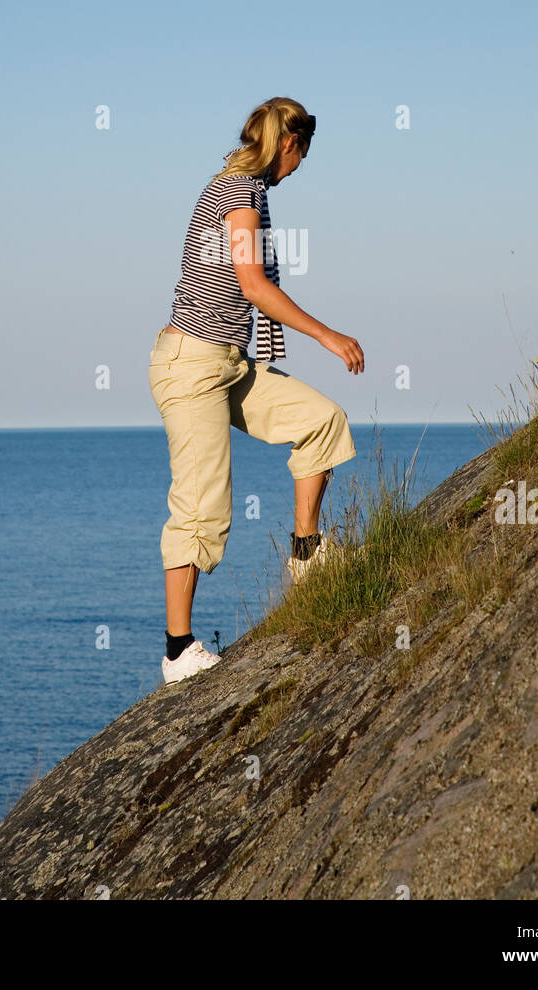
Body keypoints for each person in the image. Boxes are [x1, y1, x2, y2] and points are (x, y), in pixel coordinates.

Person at [148, 97, 364, 684]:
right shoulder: (240, 192)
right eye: (303, 152)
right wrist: (325, 334)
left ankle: (307, 557)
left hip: (228, 361)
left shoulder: (242, 187)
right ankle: (178, 651)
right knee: (202, 506)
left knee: (322, 421)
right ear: (287, 143)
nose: (302, 165)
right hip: (193, 365)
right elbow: (251, 283)